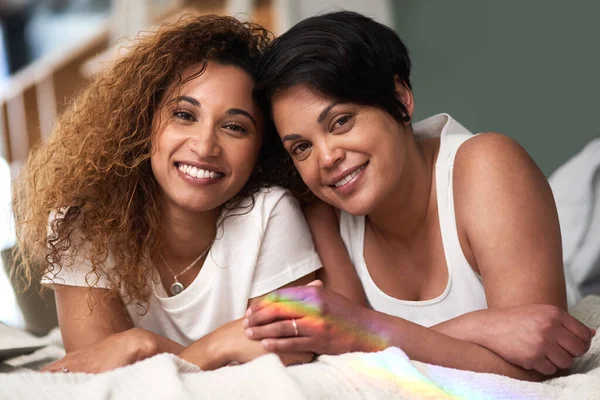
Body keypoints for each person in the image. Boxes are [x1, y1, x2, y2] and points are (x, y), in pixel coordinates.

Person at [244, 11, 596, 381]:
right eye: (301, 147)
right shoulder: (322, 213)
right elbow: (355, 365)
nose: (327, 158)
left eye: (341, 121)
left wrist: (366, 330)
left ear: (400, 99)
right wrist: (478, 329)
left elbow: (537, 370)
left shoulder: (487, 166)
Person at [11, 14, 322, 373]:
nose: (205, 146)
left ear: (261, 149)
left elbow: (290, 358)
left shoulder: (271, 214)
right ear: (145, 121)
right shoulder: (83, 224)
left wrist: (143, 348)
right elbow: (96, 382)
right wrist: (213, 347)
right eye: (184, 115)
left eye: (235, 127)